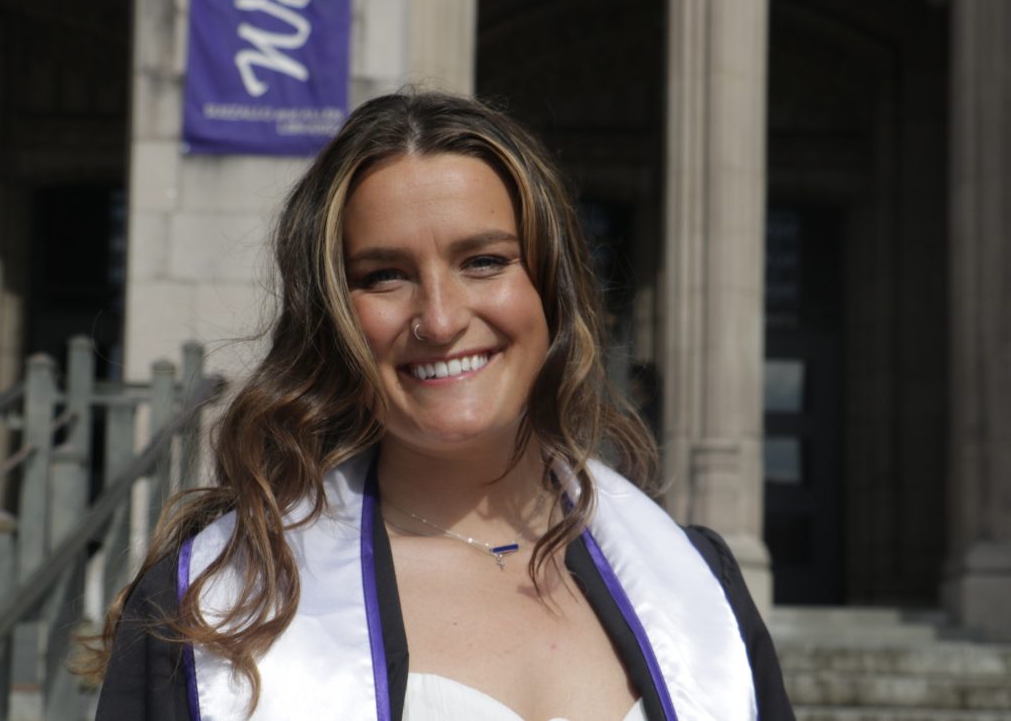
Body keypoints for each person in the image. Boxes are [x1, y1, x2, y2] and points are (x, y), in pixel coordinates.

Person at [90, 91, 794, 720]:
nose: (439, 318)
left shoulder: (695, 589)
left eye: (483, 261)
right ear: (333, 318)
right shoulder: (215, 609)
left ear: (550, 287)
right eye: (385, 275)